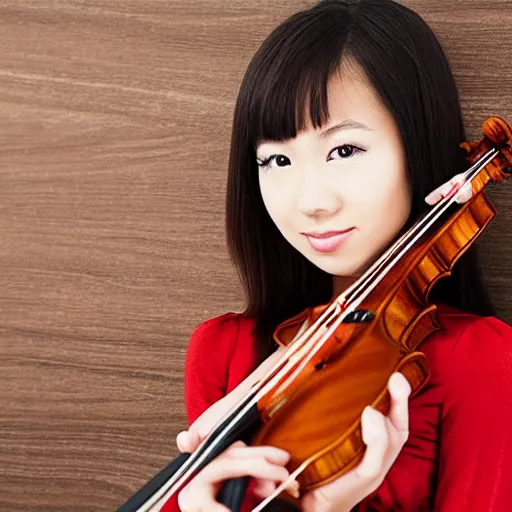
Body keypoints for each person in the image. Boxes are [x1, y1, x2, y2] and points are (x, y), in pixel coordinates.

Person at [161, 0, 512, 510]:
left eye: (345, 150)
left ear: (418, 148)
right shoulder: (222, 352)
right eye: (277, 159)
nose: (311, 202)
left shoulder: (479, 359)